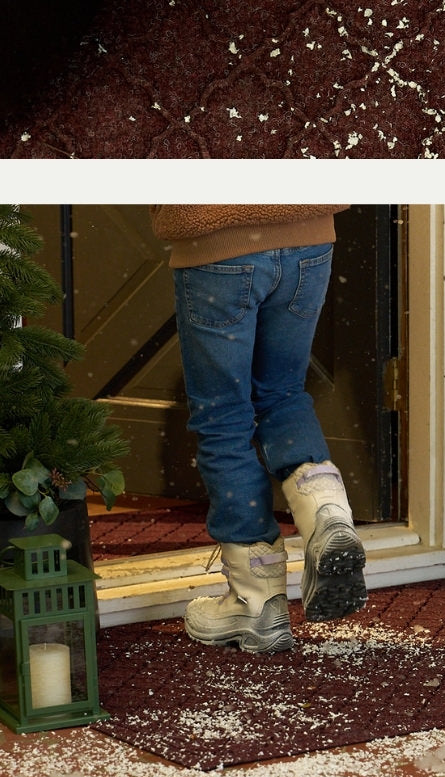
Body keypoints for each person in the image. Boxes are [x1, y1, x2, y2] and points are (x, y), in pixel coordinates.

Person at [150, 204, 368, 653]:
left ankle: (257, 602)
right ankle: (326, 513)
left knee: (223, 419)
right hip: (308, 237)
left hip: (218, 240)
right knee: (283, 393)